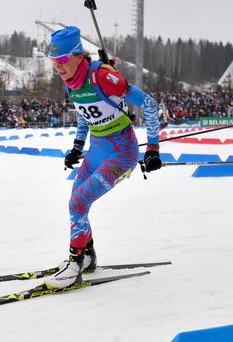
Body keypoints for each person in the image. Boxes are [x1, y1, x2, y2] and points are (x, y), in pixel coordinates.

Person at [43, 26, 162, 289]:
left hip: (121, 154)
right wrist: (77, 147)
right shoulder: (70, 81)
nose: (59, 68)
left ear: (78, 56)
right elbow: (85, 115)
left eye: (62, 61)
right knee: (77, 204)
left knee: (77, 202)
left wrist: (153, 149)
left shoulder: (102, 76)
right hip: (96, 151)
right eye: (54, 63)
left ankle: (75, 264)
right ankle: (87, 256)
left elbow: (151, 105)